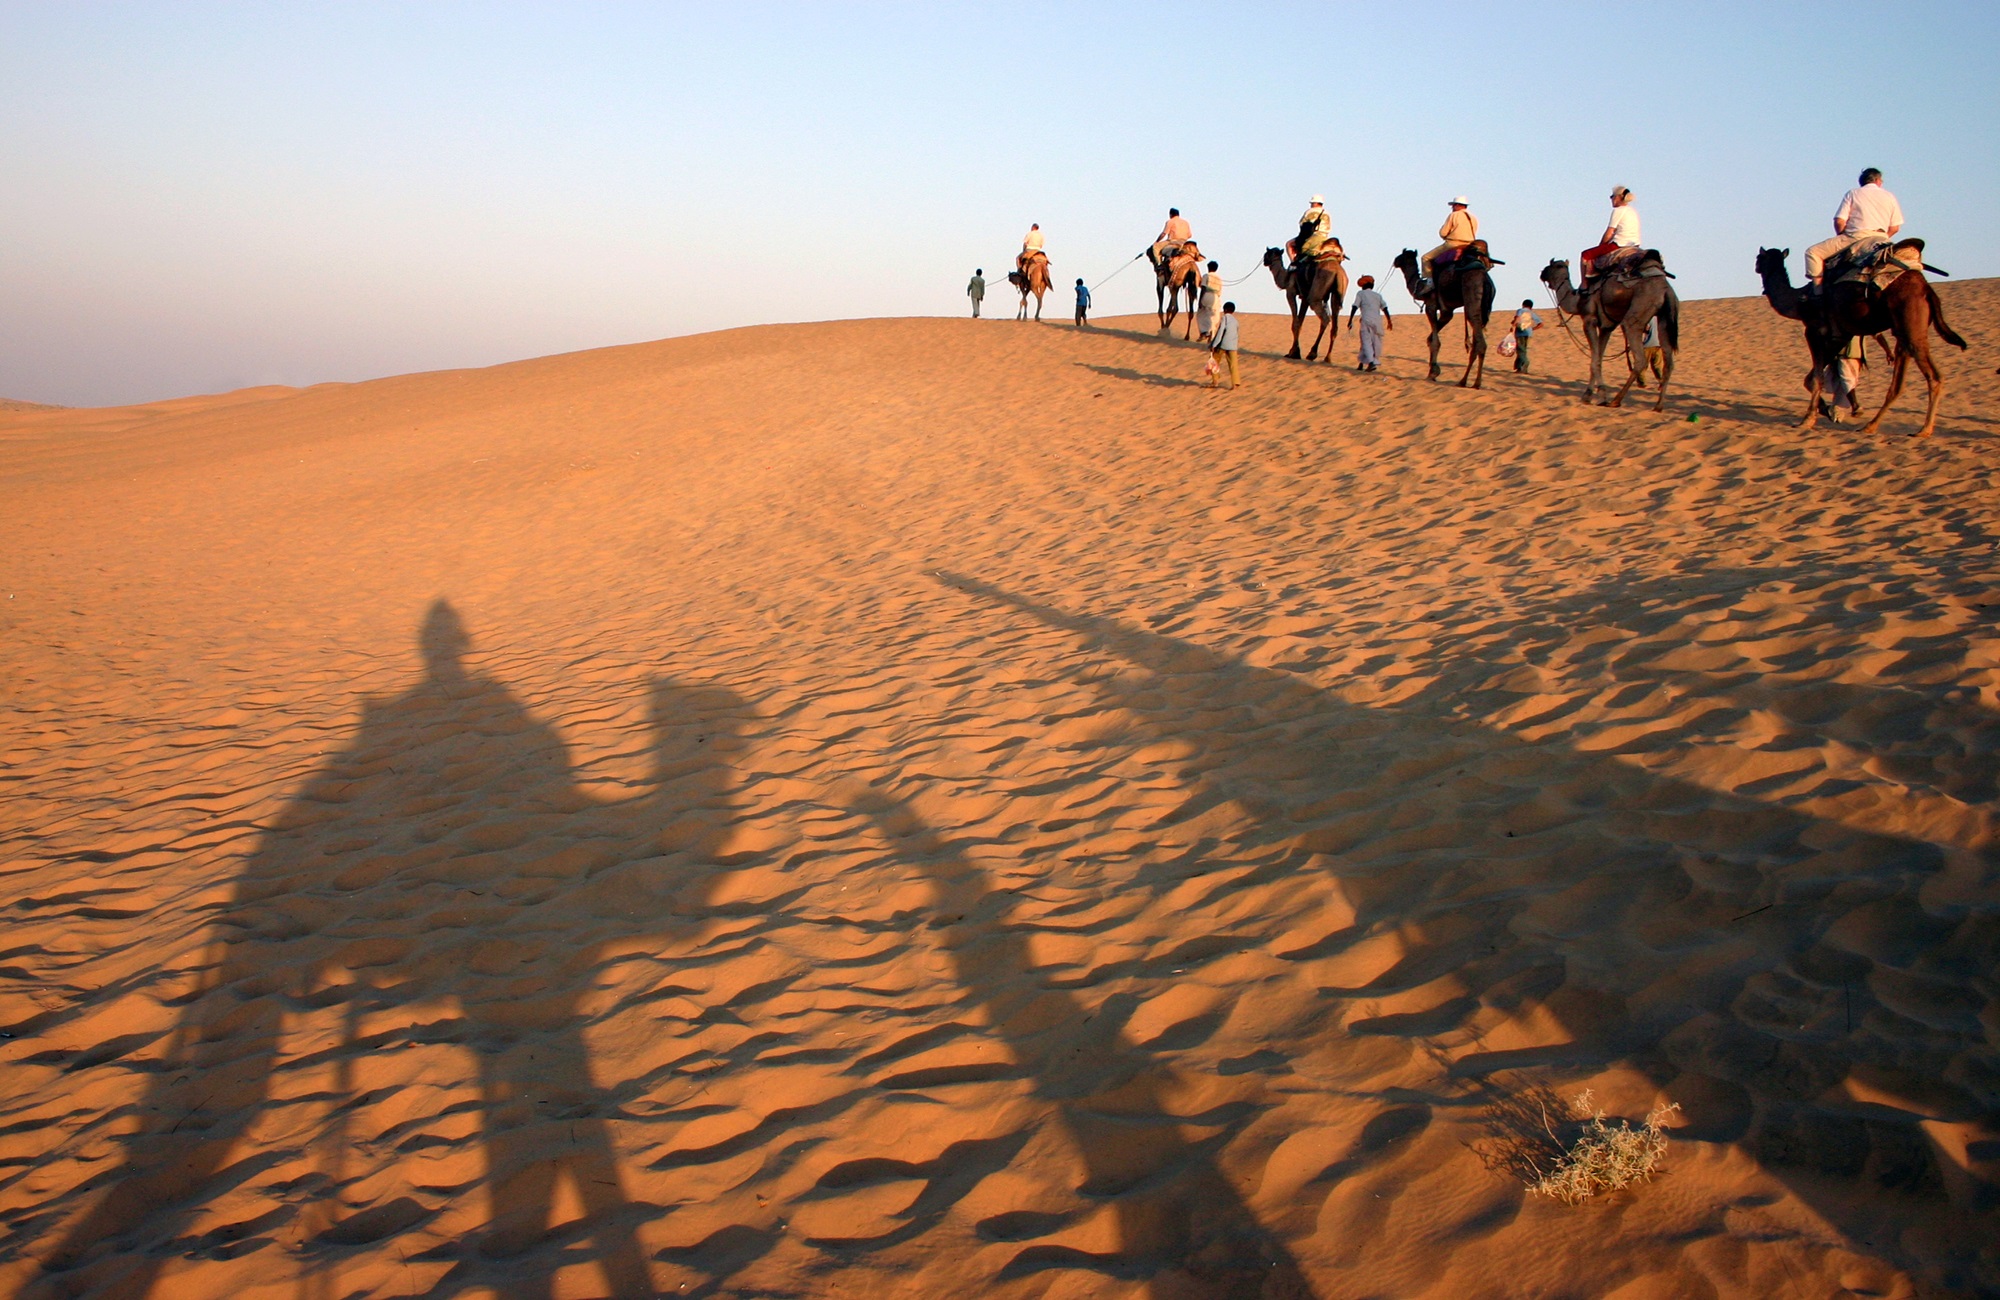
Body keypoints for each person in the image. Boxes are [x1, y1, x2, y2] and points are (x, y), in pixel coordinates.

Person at [1804, 167, 1904, 285]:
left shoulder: (1853, 193)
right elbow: (1895, 228)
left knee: (1812, 252)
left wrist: (1841, 235)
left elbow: (1839, 221)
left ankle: (1817, 292)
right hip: (1881, 238)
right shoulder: (1890, 196)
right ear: (1877, 181)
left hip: (1856, 236)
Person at [1580, 186, 1641, 279]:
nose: (1611, 199)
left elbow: (1609, 232)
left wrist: (1600, 246)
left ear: (1618, 197)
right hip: (1635, 245)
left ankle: (1584, 285)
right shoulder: (1632, 211)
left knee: (1585, 255)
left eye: (1612, 196)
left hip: (1620, 244)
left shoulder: (1618, 210)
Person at [1421, 196, 1479, 287]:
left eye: (1453, 205)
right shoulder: (1473, 218)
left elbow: (1443, 232)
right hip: (1470, 245)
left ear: (1457, 205)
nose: (1452, 208)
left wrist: (1446, 236)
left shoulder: (1453, 215)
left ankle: (1429, 283)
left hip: (1453, 244)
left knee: (1425, 258)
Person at [1347, 275, 1391, 371]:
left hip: (1366, 321)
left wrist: (1350, 320)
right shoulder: (1378, 296)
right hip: (1377, 321)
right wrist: (1389, 321)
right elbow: (1385, 308)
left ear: (1363, 285)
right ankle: (1362, 364)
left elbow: (1355, 306)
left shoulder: (1361, 294)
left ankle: (1371, 363)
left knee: (1366, 342)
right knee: (1375, 342)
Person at [1208, 301, 1241, 390]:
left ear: (1225, 310)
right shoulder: (1236, 321)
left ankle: (1215, 381)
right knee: (1233, 364)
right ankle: (1235, 383)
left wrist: (1213, 344)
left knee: (1214, 361)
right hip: (1233, 346)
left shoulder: (1224, 319)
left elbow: (1220, 332)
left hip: (1223, 344)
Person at [1293, 194, 1333, 262]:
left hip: (1312, 237)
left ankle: (1294, 265)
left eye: (1312, 203)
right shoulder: (1327, 213)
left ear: (1315, 203)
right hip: (1325, 238)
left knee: (1290, 244)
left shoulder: (1309, 211)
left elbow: (1301, 224)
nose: (1311, 205)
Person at [1511, 299, 1542, 373]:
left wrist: (1513, 325)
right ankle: (1520, 368)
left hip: (1520, 332)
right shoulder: (1531, 313)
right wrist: (1532, 329)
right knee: (1523, 350)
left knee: (1520, 350)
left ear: (1523, 305)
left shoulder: (1520, 310)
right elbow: (1541, 324)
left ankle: (1526, 362)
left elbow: (1518, 318)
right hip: (1528, 333)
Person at [1197, 260, 1223, 340]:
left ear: (1208, 267)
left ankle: (1205, 332)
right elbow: (1220, 291)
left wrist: (1200, 300)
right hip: (1215, 297)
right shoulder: (1219, 278)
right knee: (1214, 315)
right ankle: (1212, 334)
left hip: (1207, 295)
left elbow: (1203, 288)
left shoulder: (1206, 276)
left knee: (1202, 314)